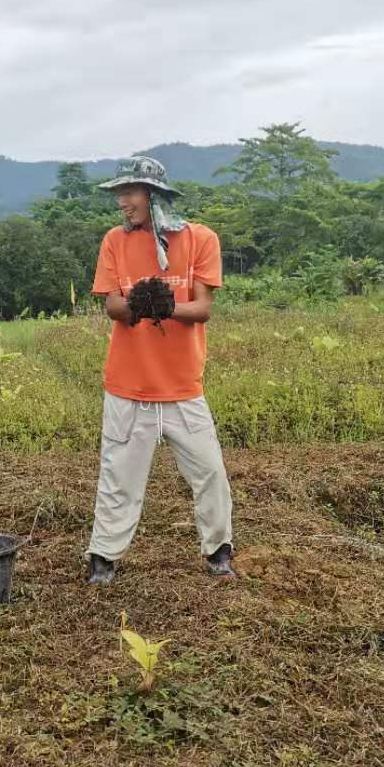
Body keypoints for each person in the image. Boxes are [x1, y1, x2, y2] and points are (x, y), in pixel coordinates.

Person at [85, 155, 235, 585]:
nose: (122, 202)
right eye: (119, 193)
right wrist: (140, 303)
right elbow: (113, 304)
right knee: (119, 476)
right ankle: (103, 556)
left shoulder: (200, 238)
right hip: (128, 385)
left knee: (210, 472)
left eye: (129, 192)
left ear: (153, 195)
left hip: (183, 386)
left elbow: (202, 308)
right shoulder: (115, 241)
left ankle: (219, 551)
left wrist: (165, 306)